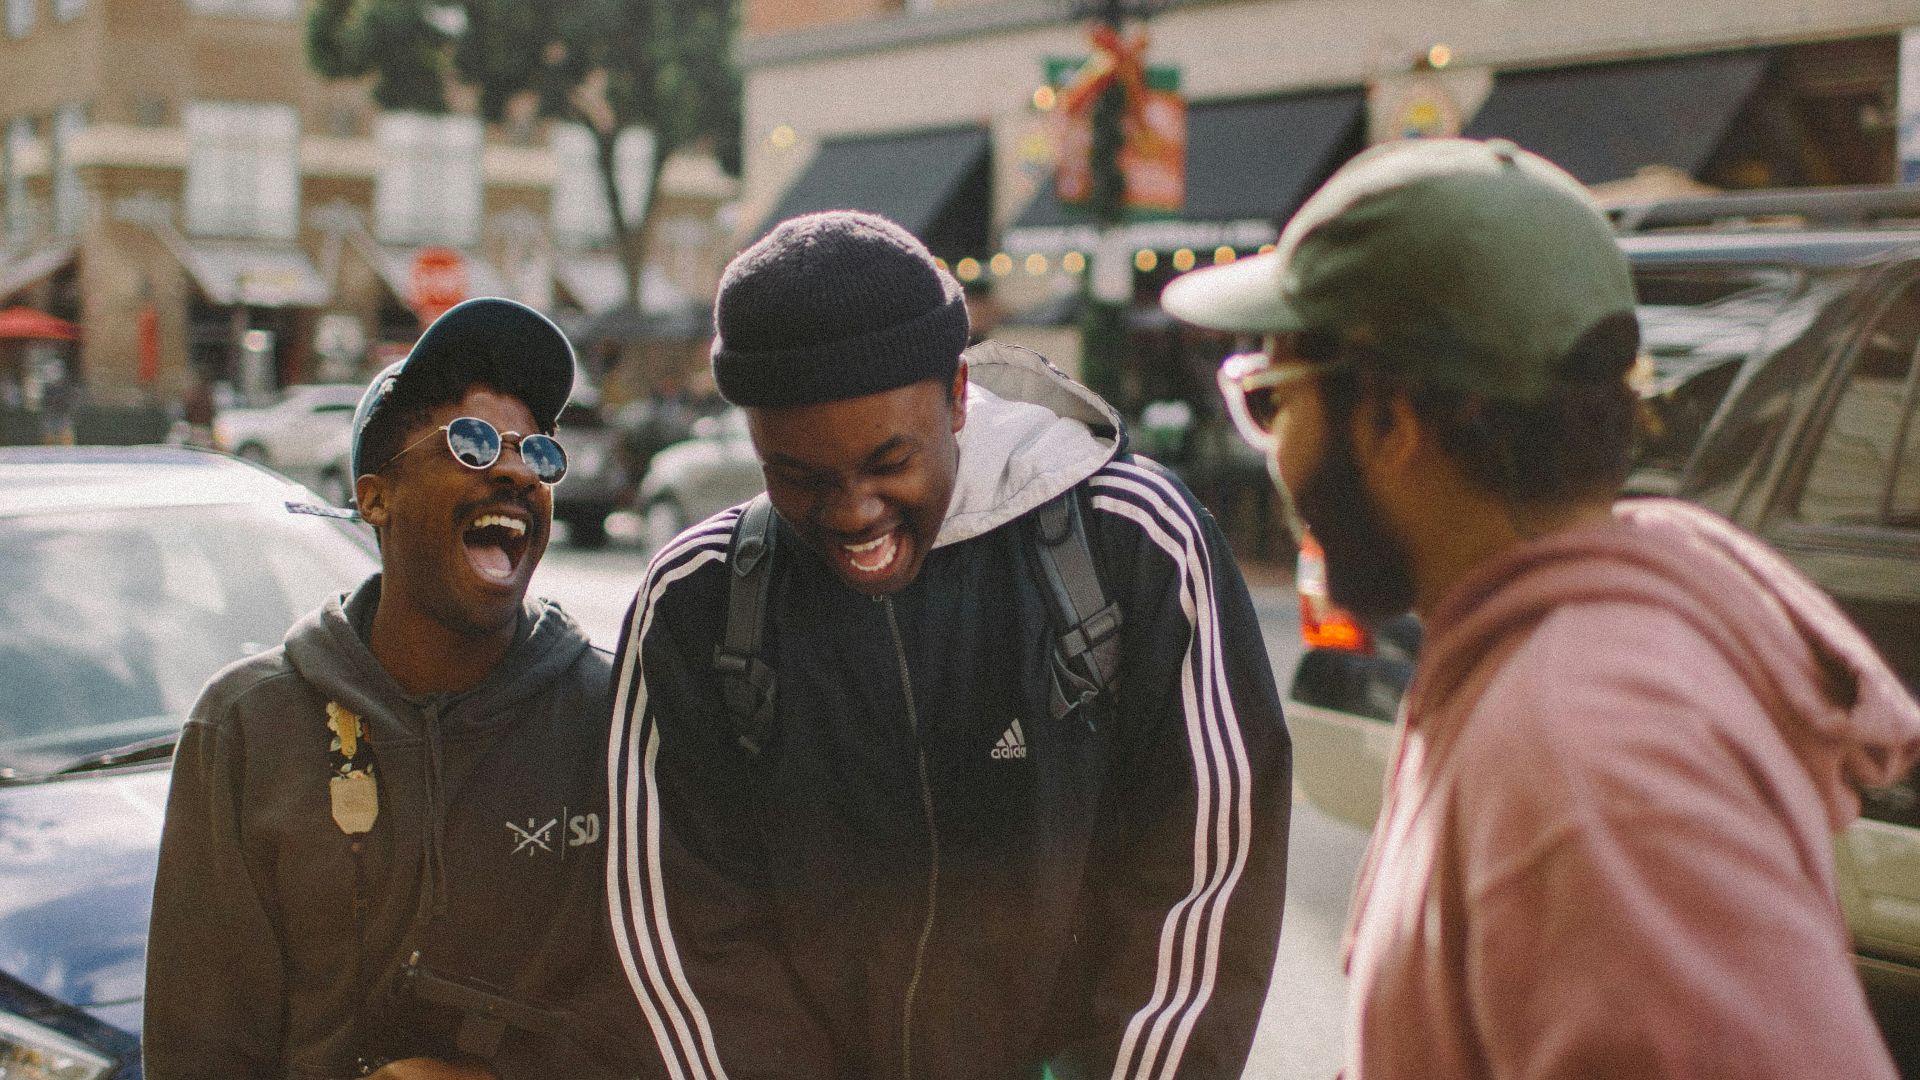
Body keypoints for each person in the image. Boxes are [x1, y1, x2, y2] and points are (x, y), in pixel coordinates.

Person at [1162, 136, 1920, 1079]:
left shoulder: (1584, 747)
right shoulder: (1562, 675)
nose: (1270, 453)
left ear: (1393, 420)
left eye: (1275, 401)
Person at [607, 211, 1291, 1080]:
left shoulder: (1134, 541)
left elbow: (1206, 883)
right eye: (801, 476)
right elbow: (680, 937)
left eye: (889, 462)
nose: (854, 512)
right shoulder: (695, 602)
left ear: (959, 395)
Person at [146, 298, 634, 1080]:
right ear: (375, 498)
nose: (515, 470)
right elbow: (199, 1052)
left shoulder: (612, 714)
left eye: (539, 454)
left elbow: (665, 1017)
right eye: (472, 444)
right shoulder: (247, 727)